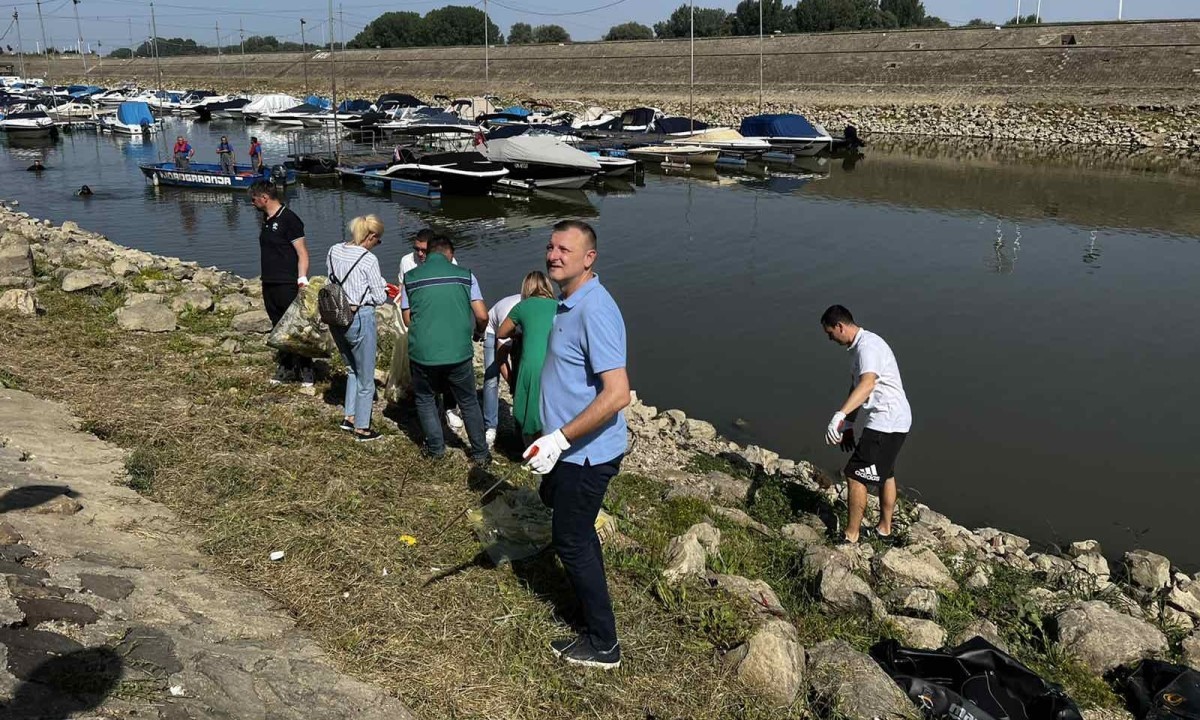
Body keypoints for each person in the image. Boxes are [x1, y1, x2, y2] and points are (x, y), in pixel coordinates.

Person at [523, 220, 630, 670]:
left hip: (586, 454)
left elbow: (618, 393)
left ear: (589, 259)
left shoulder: (595, 309)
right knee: (572, 529)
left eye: (565, 249)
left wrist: (561, 437)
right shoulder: (567, 302)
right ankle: (586, 602)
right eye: (550, 247)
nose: (553, 256)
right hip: (566, 449)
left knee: (570, 541)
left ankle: (604, 644)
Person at [820, 304, 912, 545]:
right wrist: (849, 424)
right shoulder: (860, 347)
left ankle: (851, 536)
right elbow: (856, 388)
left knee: (854, 476)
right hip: (894, 419)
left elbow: (868, 384)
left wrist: (838, 415)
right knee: (885, 473)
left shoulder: (867, 348)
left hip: (887, 420)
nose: (830, 339)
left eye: (830, 333)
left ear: (840, 326)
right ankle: (884, 530)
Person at [400, 235, 490, 464]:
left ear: (428, 253)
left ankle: (436, 450)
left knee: (426, 399)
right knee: (468, 401)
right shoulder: (466, 276)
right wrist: (478, 333)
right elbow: (482, 315)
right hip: (458, 353)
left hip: (423, 353)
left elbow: (408, 320)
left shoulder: (410, 278)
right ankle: (480, 453)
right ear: (449, 254)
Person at [327, 215, 389, 442]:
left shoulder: (333, 250)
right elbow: (380, 297)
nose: (377, 244)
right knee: (366, 375)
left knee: (351, 367)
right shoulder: (368, 259)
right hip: (360, 317)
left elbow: (331, 280)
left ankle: (349, 416)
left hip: (336, 315)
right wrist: (381, 287)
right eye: (378, 240)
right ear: (371, 236)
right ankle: (362, 428)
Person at [248, 181, 314, 387]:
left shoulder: (289, 219)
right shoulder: (266, 219)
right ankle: (286, 367)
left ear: (264, 198)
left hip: (287, 282)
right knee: (277, 326)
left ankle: (306, 369)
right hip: (269, 281)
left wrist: (302, 279)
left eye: (254, 199)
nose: (252, 203)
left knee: (294, 326)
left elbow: (302, 252)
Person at [398, 228, 464, 430]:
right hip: (418, 321)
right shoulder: (406, 262)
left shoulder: (450, 263)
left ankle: (450, 407)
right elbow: (403, 290)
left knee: (448, 368)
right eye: (416, 249)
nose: (419, 254)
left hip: (442, 322)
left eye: (423, 250)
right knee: (423, 368)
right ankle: (428, 404)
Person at [497, 271, 557, 445]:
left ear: (526, 288)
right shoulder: (559, 305)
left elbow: (501, 332)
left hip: (531, 363)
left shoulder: (522, 307)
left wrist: (518, 334)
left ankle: (531, 448)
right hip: (553, 362)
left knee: (529, 407)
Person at [483, 290, 522, 448]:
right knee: (492, 378)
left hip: (518, 332)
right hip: (494, 330)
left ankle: (520, 428)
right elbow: (501, 359)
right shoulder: (510, 316)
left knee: (521, 372)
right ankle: (491, 427)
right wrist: (513, 384)